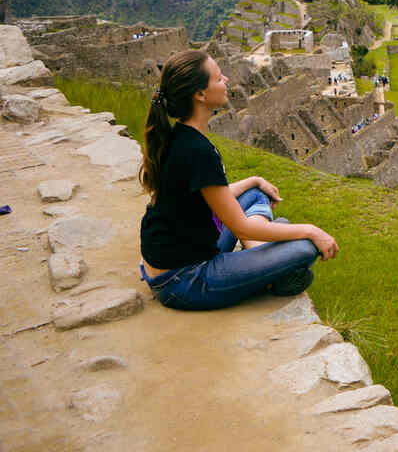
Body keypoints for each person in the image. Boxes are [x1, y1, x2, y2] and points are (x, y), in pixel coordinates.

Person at [138, 50, 339, 310]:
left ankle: (259, 258)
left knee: (256, 193)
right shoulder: (198, 151)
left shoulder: (178, 136)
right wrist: (312, 230)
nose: (228, 80)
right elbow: (242, 227)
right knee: (304, 248)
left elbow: (206, 198)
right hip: (185, 280)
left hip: (179, 256)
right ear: (200, 95)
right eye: (219, 79)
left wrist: (254, 180)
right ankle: (265, 270)